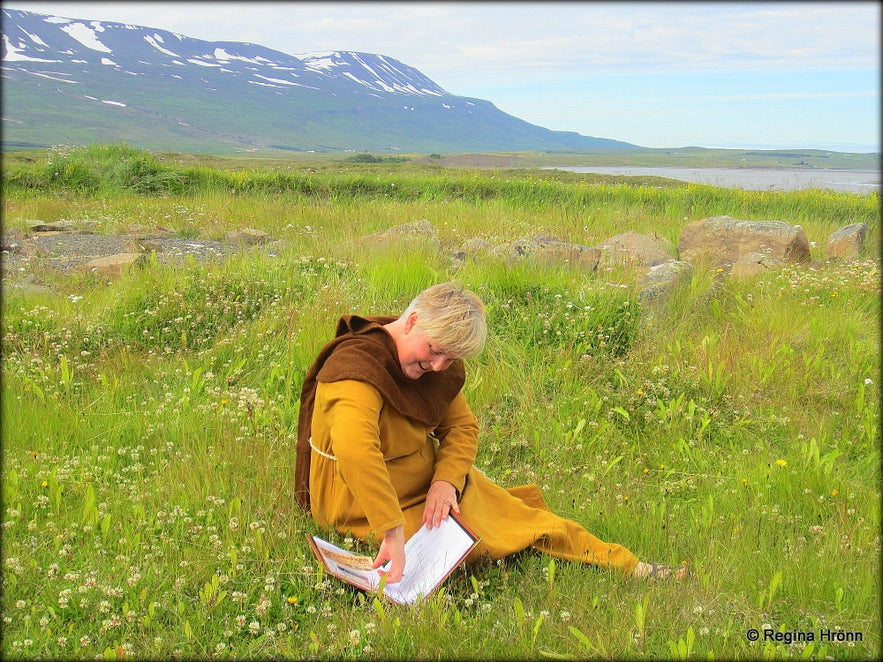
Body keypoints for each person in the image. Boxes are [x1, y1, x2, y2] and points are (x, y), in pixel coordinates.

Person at [295, 282, 683, 582]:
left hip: (425, 485)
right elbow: (355, 452)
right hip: (362, 501)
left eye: (449, 357)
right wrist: (391, 531)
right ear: (412, 321)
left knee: (523, 517)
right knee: (471, 541)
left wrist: (446, 481)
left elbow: (461, 426)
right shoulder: (355, 368)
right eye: (434, 350)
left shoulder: (432, 363)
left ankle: (630, 565)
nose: (437, 365)